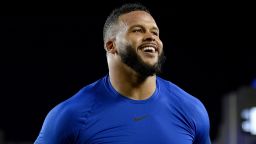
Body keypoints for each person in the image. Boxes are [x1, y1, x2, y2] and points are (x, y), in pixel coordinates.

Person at [35, 3, 211, 144]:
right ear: (111, 46)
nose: (151, 37)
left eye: (155, 32)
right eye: (138, 30)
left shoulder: (191, 109)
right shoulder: (70, 116)